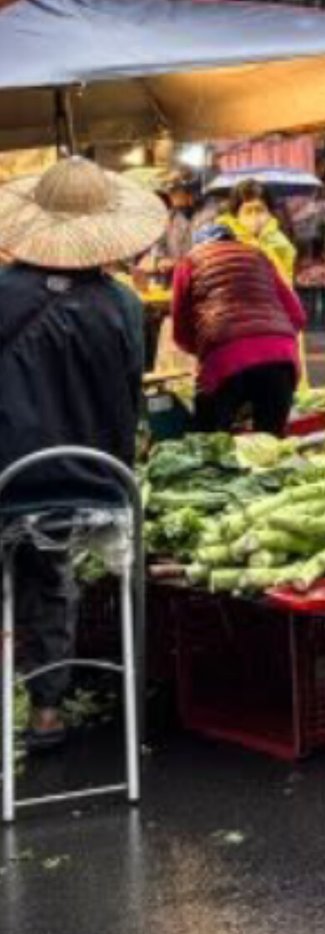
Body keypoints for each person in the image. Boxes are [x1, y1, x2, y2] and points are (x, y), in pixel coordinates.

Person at [0, 158, 164, 751]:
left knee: (28, 562)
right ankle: (47, 711)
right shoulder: (123, 305)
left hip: (9, 482)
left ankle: (31, 701)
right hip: (94, 487)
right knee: (51, 573)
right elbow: (130, 398)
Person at [171, 221, 307, 435]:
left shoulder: (189, 262)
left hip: (225, 359)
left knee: (210, 441)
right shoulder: (259, 256)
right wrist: (270, 341)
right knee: (271, 444)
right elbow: (297, 316)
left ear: (198, 245)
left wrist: (203, 350)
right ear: (232, 240)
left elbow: (181, 328)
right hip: (281, 358)